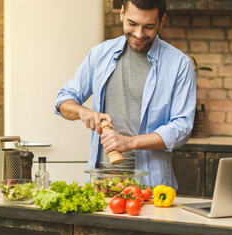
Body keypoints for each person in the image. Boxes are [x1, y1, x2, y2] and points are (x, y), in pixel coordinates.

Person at [54, 0, 196, 190]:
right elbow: (64, 99)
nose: (139, 34)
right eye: (132, 24)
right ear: (121, 13)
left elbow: (182, 128)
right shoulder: (99, 54)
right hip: (101, 182)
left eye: (149, 26)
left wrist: (129, 143)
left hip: (150, 186)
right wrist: (83, 112)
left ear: (162, 22)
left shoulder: (179, 65)